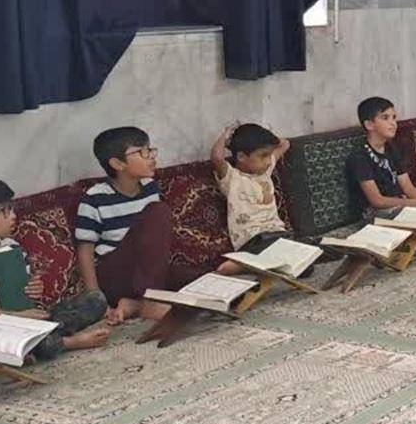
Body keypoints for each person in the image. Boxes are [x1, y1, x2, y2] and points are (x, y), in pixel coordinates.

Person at [0, 177, 111, 358]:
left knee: (95, 299)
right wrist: (15, 317)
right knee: (12, 344)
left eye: (11, 208)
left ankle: (50, 333)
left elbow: (25, 288)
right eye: (4, 211)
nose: (13, 215)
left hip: (30, 318)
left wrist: (34, 287)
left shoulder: (11, 245)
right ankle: (67, 342)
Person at [75, 127, 202, 331]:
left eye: (150, 150)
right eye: (142, 152)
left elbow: (153, 245)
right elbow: (85, 251)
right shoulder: (95, 198)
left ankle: (135, 305)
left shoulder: (150, 187)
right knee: (158, 211)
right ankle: (150, 302)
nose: (151, 156)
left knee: (202, 281)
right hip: (115, 275)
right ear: (117, 164)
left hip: (145, 275)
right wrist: (96, 300)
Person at [345, 97, 416, 220]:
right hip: (373, 214)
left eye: (394, 118)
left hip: (399, 205)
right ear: (369, 124)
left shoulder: (391, 148)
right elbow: (377, 201)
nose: (393, 123)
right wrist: (415, 203)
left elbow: (408, 187)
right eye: (385, 118)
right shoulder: (359, 157)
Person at [210, 123, 293, 252]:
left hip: (277, 234)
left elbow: (285, 144)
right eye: (263, 156)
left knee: (311, 253)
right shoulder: (232, 178)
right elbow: (217, 157)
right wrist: (226, 136)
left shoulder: (265, 171)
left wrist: (266, 138)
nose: (268, 161)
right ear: (241, 157)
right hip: (252, 241)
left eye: (270, 155)